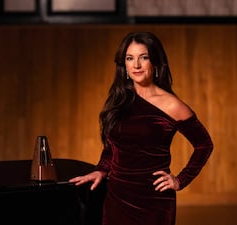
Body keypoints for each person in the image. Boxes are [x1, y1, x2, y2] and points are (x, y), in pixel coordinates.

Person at [69, 31, 213, 225]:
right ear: (124, 65)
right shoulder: (119, 100)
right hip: (116, 197)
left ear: (155, 62)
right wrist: (101, 170)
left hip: (153, 202)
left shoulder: (172, 105)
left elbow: (204, 144)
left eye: (143, 57)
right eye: (130, 58)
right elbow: (112, 148)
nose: (136, 65)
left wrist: (180, 180)